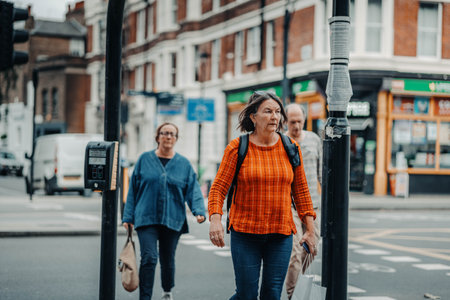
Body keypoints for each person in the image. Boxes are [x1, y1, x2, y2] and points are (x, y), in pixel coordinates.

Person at [208, 91, 317, 300]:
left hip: (281, 234)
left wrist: (310, 230)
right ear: (253, 117)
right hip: (245, 233)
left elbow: (302, 192)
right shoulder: (237, 147)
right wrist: (215, 220)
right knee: (246, 295)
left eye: (277, 112)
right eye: (268, 111)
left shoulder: (290, 148)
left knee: (272, 295)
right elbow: (219, 187)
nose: (274, 116)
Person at [122, 122, 206, 300]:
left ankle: (167, 291)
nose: (168, 137)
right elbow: (133, 191)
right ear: (157, 136)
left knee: (167, 260)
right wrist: (128, 216)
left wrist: (198, 210)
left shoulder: (184, 164)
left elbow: (193, 190)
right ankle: (145, 297)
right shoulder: (144, 159)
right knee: (149, 258)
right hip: (146, 218)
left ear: (176, 139)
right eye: (165, 133)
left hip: (173, 219)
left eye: (172, 134)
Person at [284, 104, 322, 299]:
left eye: (299, 121)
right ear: (286, 122)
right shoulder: (282, 141)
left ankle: (300, 285)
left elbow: (321, 173)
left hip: (312, 205)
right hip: (289, 205)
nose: (296, 126)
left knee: (311, 250)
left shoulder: (314, 140)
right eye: (292, 122)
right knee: (295, 252)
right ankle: (293, 295)